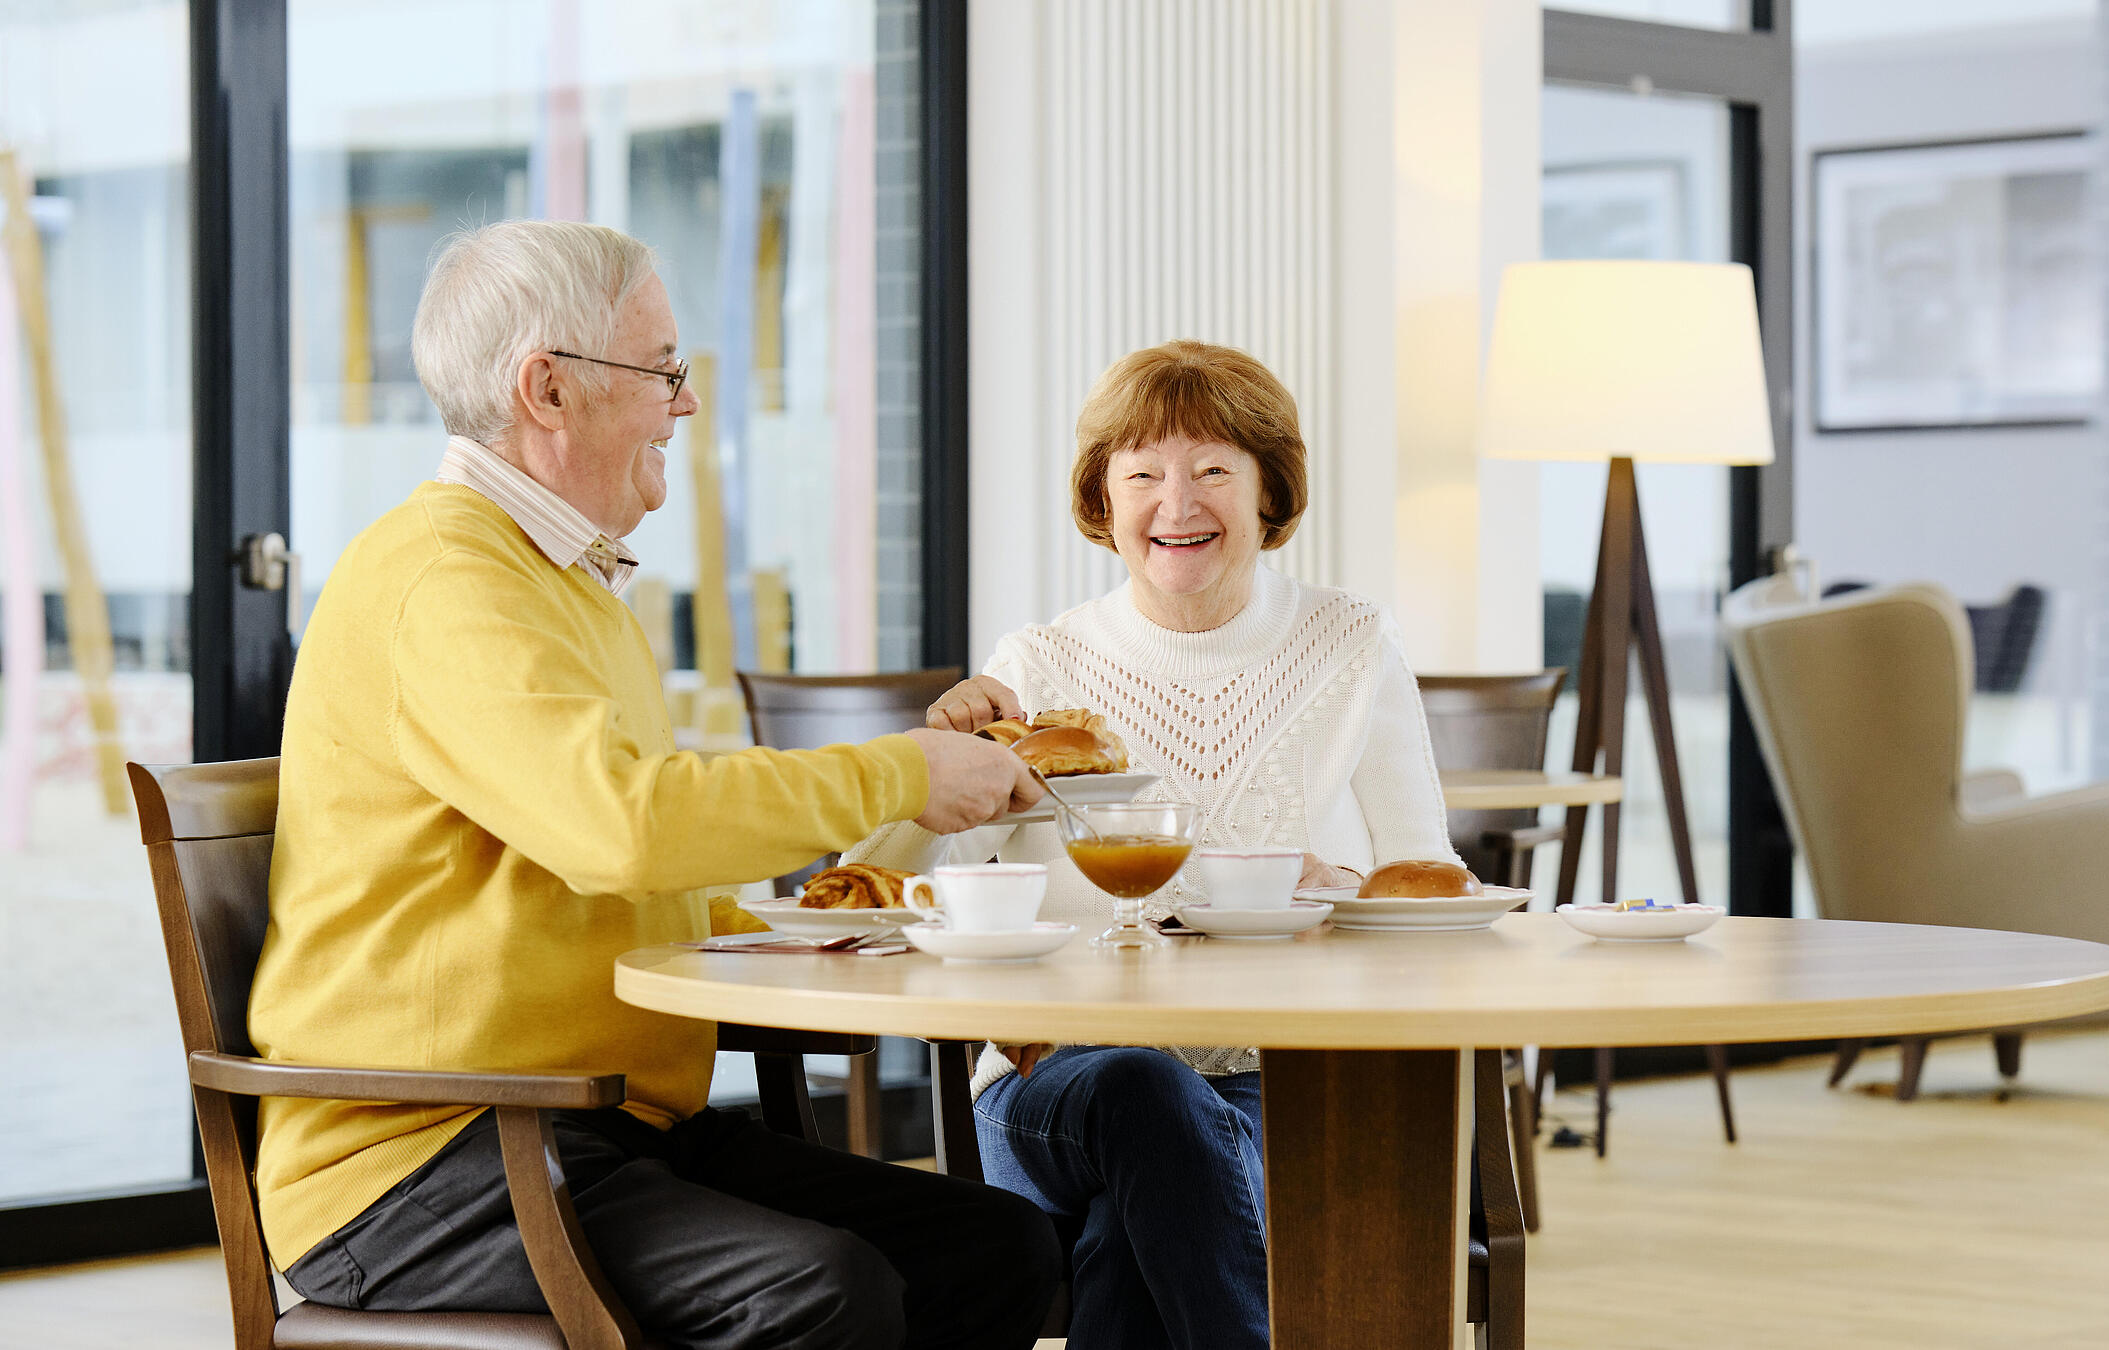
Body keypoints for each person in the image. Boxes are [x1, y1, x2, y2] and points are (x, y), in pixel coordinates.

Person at [250, 219, 1060, 1350]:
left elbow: (623, 868)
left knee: (995, 1249)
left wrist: (820, 931)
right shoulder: (445, 577)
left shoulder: (567, 583)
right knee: (820, 1291)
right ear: (549, 390)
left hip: (592, 1126)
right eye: (664, 371)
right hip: (421, 1160)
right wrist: (899, 772)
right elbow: (622, 829)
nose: (685, 404)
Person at [846, 339, 1464, 1349]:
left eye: (1215, 469)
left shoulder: (1350, 645)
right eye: (1142, 474)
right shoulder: (1035, 669)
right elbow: (885, 892)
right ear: (1105, 500)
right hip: (1055, 1084)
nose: (1176, 504)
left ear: (1271, 492)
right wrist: (928, 764)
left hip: (1284, 1083)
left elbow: (1428, 890)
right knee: (1142, 1087)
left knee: (1130, 1237)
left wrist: (1336, 888)